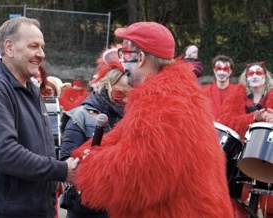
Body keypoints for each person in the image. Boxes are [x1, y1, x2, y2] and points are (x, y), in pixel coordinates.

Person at [68, 22, 233, 217]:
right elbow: (122, 136)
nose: (122, 61)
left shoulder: (162, 100)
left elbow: (134, 177)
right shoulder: (170, 93)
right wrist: (82, 154)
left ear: (141, 58)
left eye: (125, 54)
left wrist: (84, 169)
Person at [0, 17, 79, 217]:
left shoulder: (31, 88)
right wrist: (61, 170)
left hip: (40, 209)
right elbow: (5, 153)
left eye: (42, 47)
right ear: (10, 48)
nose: (41, 54)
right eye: (33, 46)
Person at [60, 46, 132, 218]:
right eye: (120, 93)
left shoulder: (136, 116)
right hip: (87, 208)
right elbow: (67, 164)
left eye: (133, 94)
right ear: (105, 85)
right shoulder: (82, 115)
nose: (127, 100)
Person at [217, 62, 273, 217]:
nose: (254, 76)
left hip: (269, 154)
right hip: (243, 154)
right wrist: (253, 117)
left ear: (265, 76)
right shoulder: (237, 96)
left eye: (258, 73)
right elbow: (226, 121)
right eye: (251, 74)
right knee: (237, 202)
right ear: (246, 78)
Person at [202, 55, 239, 119]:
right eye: (219, 68)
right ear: (214, 70)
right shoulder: (204, 91)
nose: (222, 72)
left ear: (230, 71)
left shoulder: (238, 91)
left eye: (225, 69)